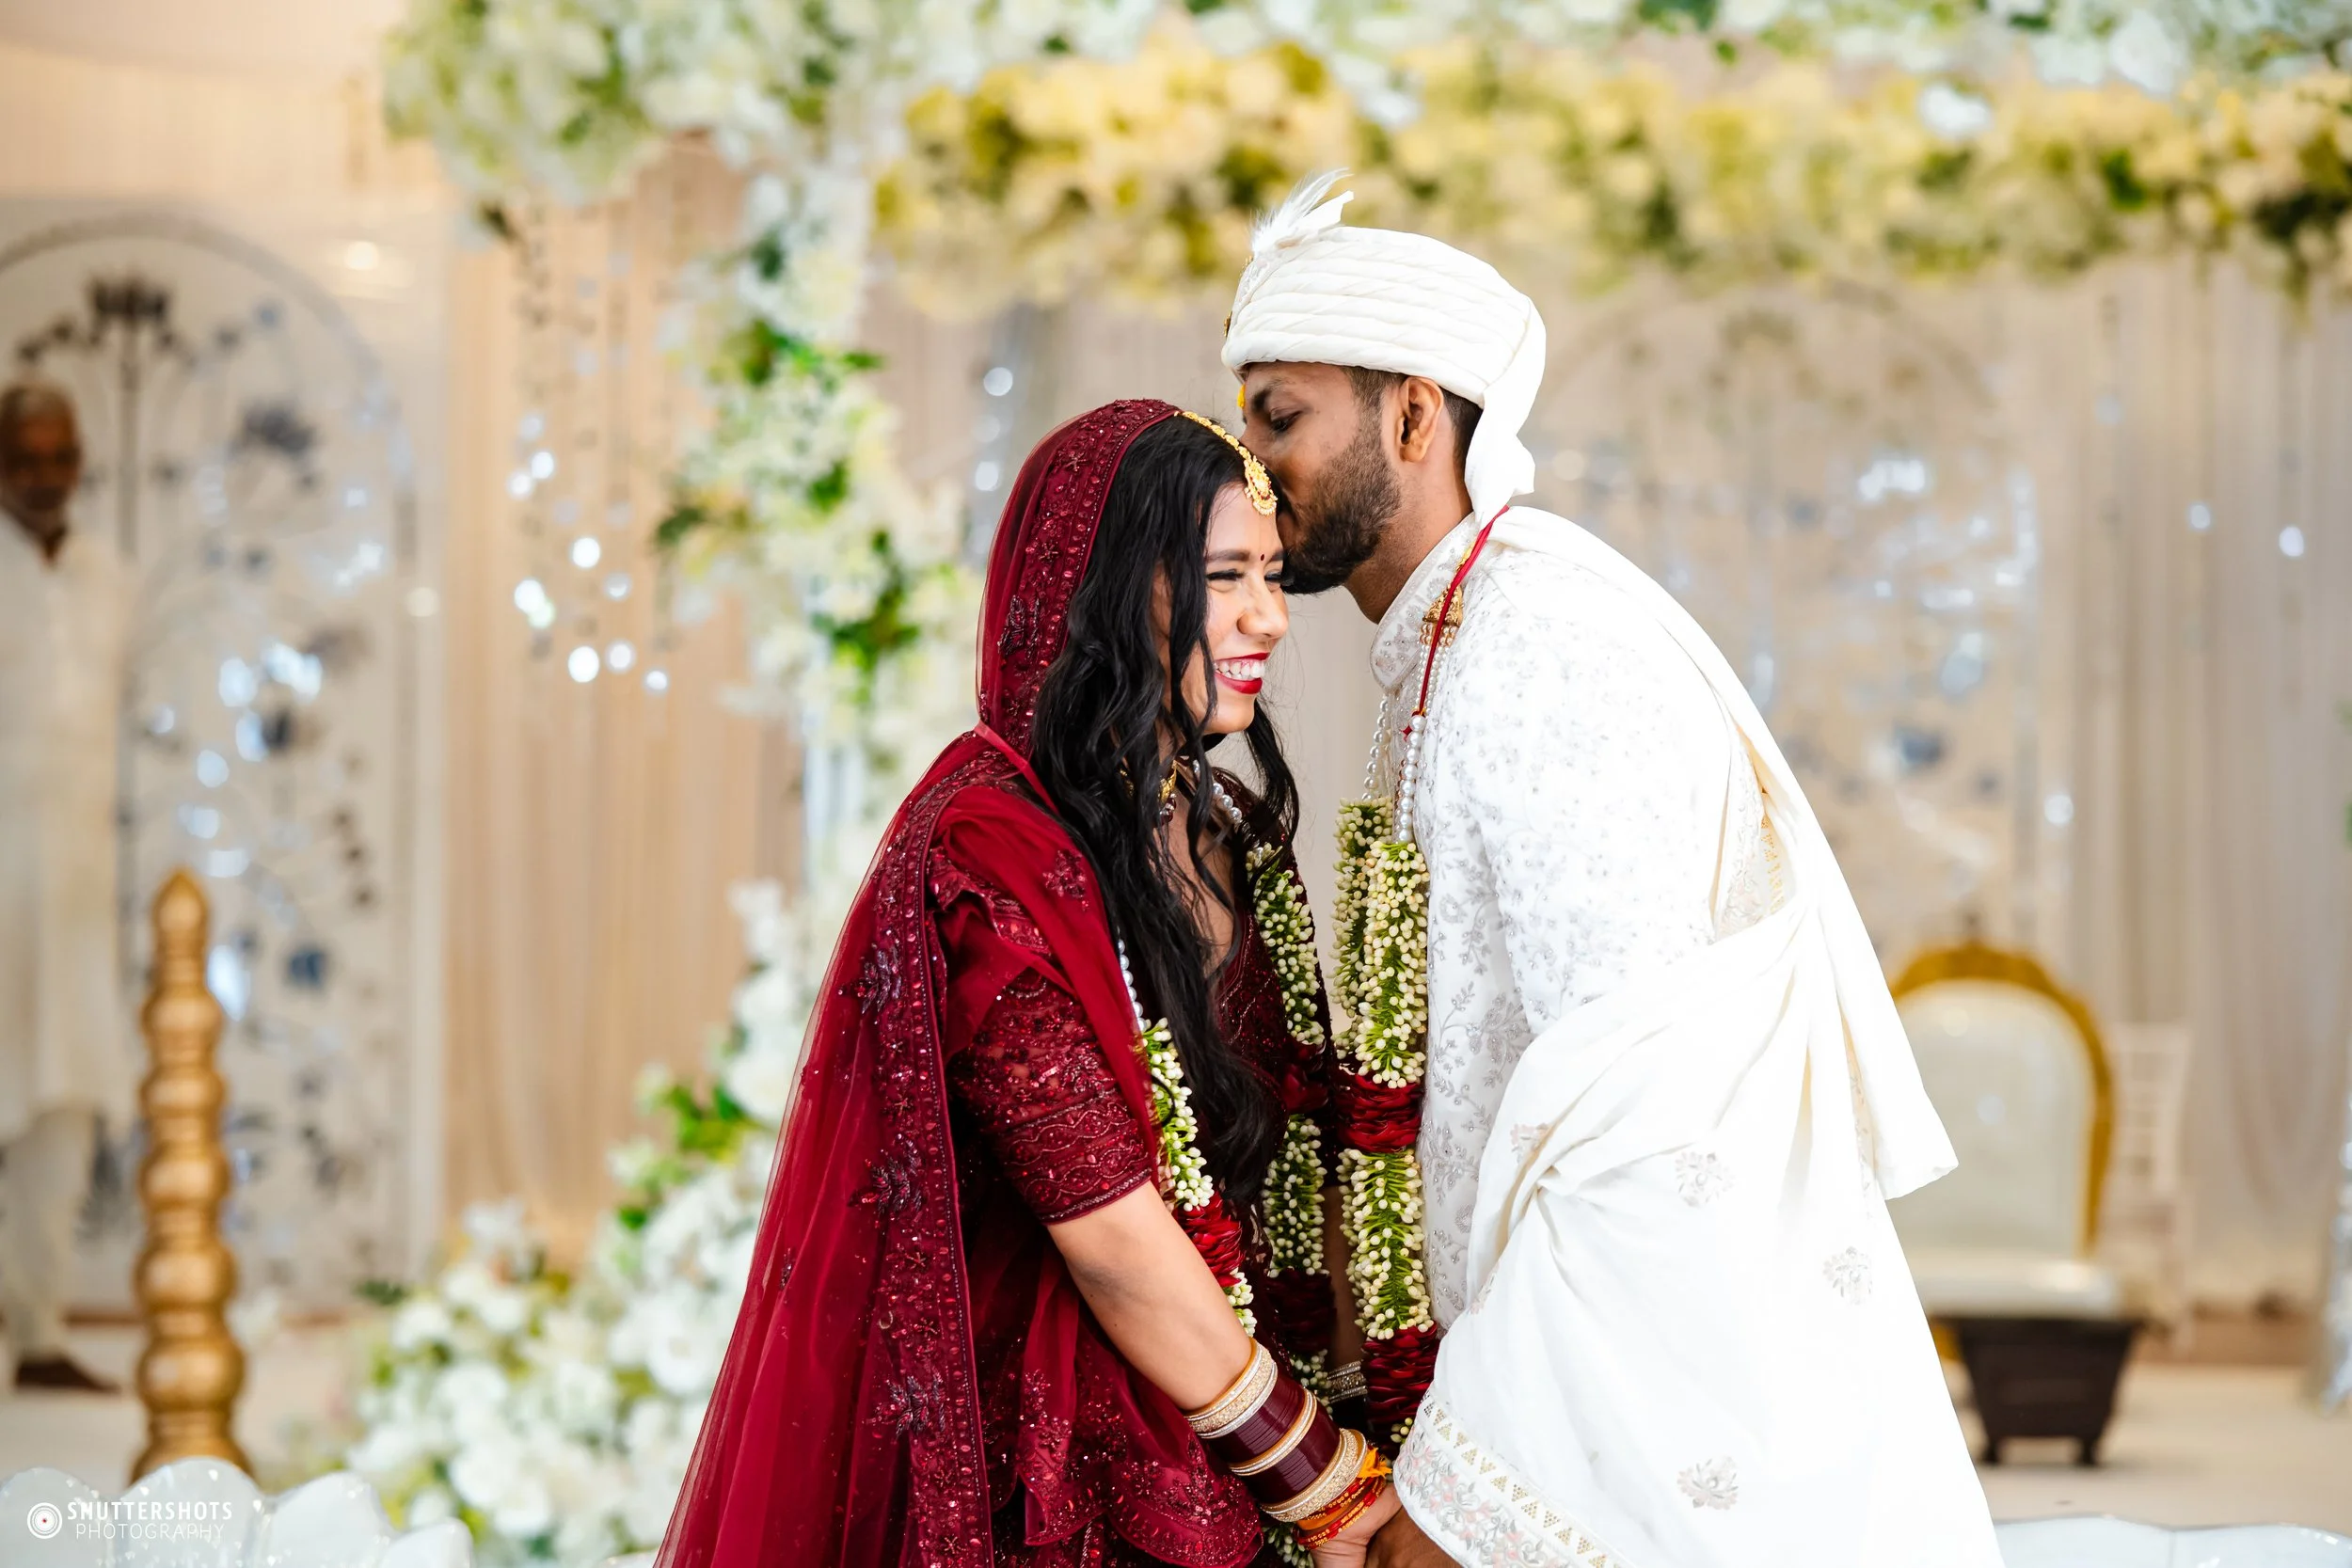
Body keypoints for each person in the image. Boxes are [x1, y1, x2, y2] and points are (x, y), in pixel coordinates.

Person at [1223, 176, 2001, 1568]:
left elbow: (1642, 1106)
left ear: (1413, 413)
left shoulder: (1537, 641)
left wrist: (1469, 1490)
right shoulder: (1453, 635)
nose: (1251, 461)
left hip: (1665, 1415)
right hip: (1572, 1380)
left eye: (1282, 417)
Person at [657, 401, 1401, 1568]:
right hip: (1059, 1460)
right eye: (1222, 576)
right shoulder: (987, 852)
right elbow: (1104, 1224)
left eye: (1271, 572)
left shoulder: (1222, 830)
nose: (1269, 616)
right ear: (1105, 591)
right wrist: (1322, 1480)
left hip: (1229, 1395)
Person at [0, 379, 132, 1393]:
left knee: (64, 1102)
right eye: (24, 456)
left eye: (60, 454)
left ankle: (38, 1332)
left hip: (78, 890)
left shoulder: (110, 578)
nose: (45, 476)